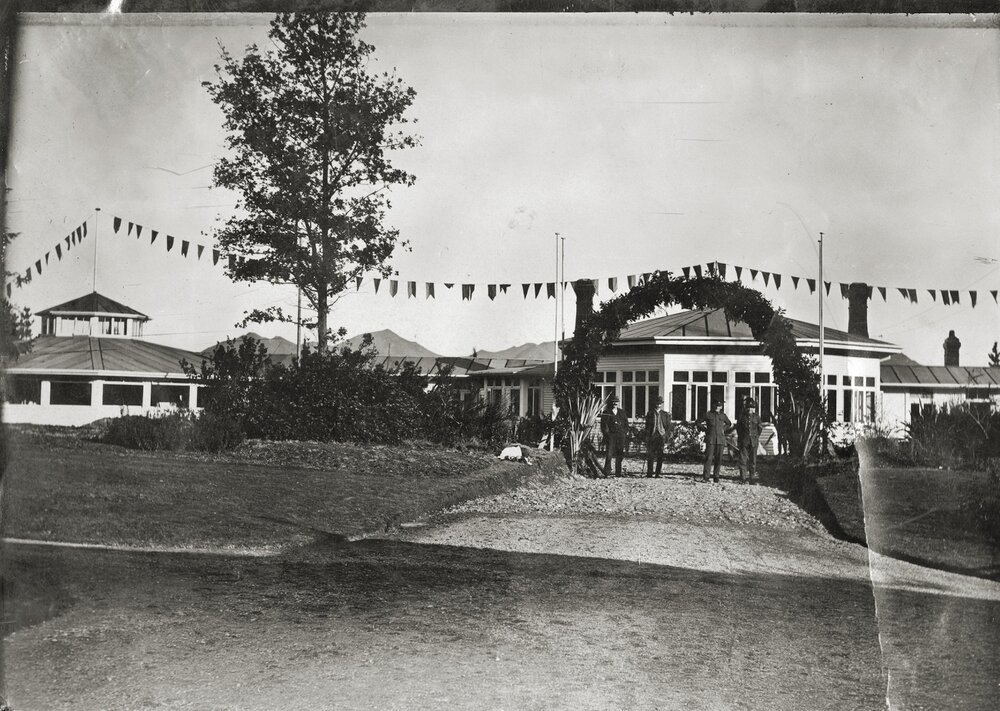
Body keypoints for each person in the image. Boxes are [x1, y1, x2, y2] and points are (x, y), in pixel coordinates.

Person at [697, 399, 734, 483]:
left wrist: (723, 430)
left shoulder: (723, 415)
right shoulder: (708, 414)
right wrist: (706, 430)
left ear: (721, 407)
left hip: (720, 440)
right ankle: (706, 477)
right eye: (716, 406)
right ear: (713, 406)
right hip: (711, 439)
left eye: (719, 406)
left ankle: (716, 476)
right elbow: (698, 422)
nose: (718, 408)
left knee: (719, 459)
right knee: (708, 458)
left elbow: (729, 423)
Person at [600, 394, 629, 477]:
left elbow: (626, 425)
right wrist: (607, 434)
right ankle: (607, 473)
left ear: (618, 403)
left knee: (619, 455)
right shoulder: (606, 412)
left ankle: (618, 473)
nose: (615, 404)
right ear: (611, 403)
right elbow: (603, 426)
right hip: (611, 436)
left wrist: (624, 433)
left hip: (620, 436)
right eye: (613, 402)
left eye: (616, 402)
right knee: (609, 455)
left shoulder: (622, 412)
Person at [736, 398, 764, 484]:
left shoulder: (756, 417)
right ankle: (743, 478)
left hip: (753, 441)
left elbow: (760, 428)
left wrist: (755, 437)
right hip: (744, 441)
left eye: (752, 407)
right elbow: (738, 429)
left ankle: (752, 479)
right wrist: (742, 438)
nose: (750, 409)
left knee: (753, 461)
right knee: (743, 460)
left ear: (754, 408)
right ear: (745, 407)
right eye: (748, 407)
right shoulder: (741, 416)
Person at [644, 396, 672, 478]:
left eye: (660, 404)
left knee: (660, 455)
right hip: (652, 436)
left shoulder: (665, 414)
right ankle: (649, 472)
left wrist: (666, 436)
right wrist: (647, 436)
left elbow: (668, 427)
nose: (658, 405)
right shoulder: (650, 413)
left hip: (661, 436)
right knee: (650, 455)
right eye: (657, 404)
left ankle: (658, 473)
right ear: (655, 404)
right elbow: (647, 426)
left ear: (661, 404)